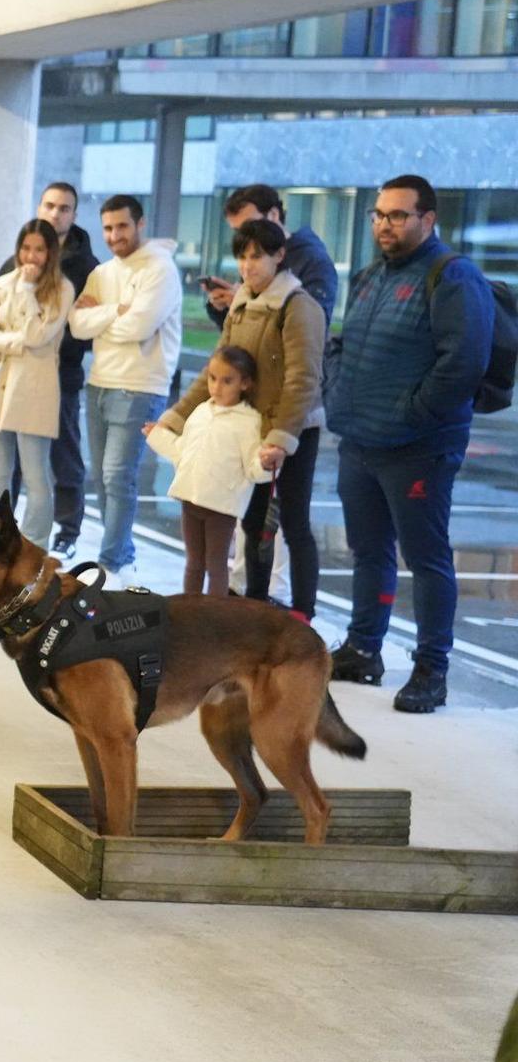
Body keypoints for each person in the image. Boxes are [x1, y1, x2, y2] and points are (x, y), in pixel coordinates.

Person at [325, 173, 496, 714]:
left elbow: (463, 362)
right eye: (378, 214)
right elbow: (345, 341)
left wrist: (411, 414)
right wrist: (338, 394)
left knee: (426, 559)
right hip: (361, 440)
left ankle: (430, 669)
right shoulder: (372, 276)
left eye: (398, 215)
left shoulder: (453, 277)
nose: (384, 224)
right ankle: (363, 647)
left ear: (428, 219)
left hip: (418, 447)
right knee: (368, 551)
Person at [154, 217, 326, 620]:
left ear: (279, 256)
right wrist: (176, 417)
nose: (248, 267)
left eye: (257, 257)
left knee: (293, 524)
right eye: (242, 258)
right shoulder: (243, 303)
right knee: (252, 525)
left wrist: (282, 438)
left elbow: (303, 379)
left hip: (292, 430)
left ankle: (302, 615)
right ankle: (253, 610)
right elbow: (217, 369)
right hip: (253, 432)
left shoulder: (298, 306)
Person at [66, 194, 182, 580]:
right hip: (100, 383)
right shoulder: (102, 274)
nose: (115, 235)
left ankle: (112, 560)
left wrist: (102, 318)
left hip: (140, 386)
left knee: (118, 475)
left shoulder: (160, 269)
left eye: (122, 226)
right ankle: (122, 555)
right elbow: (76, 324)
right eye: (108, 228)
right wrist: (116, 310)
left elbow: (139, 327)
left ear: (140, 224)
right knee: (101, 477)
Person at [0, 182, 98, 556]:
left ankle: (68, 531)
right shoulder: (19, 259)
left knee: (63, 456)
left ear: (73, 215)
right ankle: (7, 526)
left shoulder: (88, 267)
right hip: (16, 374)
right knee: (14, 459)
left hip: (61, 375)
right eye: (50, 205)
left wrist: (50, 344)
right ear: (40, 207)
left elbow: (86, 327)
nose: (55, 213)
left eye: (64, 208)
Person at [0, 220, 73, 547]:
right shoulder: (3, 284)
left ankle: (35, 545)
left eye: (39, 249)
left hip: (34, 388)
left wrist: (29, 292)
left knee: (35, 474)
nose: (31, 256)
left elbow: (39, 336)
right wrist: (16, 344)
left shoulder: (62, 289)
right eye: (26, 248)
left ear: (50, 252)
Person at [147, 347, 276, 597]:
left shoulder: (248, 421)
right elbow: (181, 450)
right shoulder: (201, 411)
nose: (217, 387)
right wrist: (157, 435)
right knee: (193, 563)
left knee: (215, 566)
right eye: (212, 378)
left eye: (227, 381)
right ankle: (189, 612)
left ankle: (216, 618)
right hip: (190, 499)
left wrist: (266, 464)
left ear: (245, 383)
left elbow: (252, 469)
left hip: (221, 507)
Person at [201, 184, 338, 324]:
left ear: (273, 215)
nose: (244, 236)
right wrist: (225, 307)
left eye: (250, 225)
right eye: (238, 231)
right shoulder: (254, 256)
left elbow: (313, 326)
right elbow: (244, 332)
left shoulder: (314, 261)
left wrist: (247, 305)